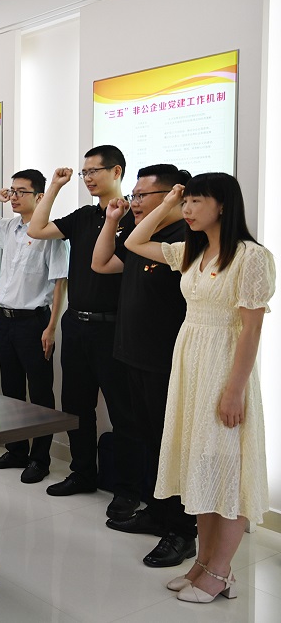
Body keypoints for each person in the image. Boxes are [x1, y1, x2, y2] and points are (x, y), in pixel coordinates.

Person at [125, 174, 274, 603]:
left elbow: (250, 331)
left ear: (223, 205)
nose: (187, 209)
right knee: (202, 468)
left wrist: (234, 391)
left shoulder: (251, 256)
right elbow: (135, 241)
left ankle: (221, 571)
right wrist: (167, 200)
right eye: (184, 201)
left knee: (226, 470)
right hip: (191, 365)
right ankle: (204, 564)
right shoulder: (192, 252)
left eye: (195, 201)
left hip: (225, 368)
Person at [91, 164, 197, 568]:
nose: (133, 202)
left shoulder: (186, 240)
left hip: (165, 362)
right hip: (132, 356)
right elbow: (100, 263)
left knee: (173, 446)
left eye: (141, 196)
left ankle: (182, 531)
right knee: (149, 440)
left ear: (170, 196)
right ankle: (157, 511)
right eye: (133, 195)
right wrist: (112, 220)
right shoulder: (140, 237)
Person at [27, 146, 137, 521]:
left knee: (123, 412)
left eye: (94, 171)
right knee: (75, 406)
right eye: (84, 172)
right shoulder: (84, 216)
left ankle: (127, 490)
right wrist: (55, 187)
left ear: (116, 171)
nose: (88, 178)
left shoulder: (135, 217)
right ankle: (83, 473)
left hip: (114, 327)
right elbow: (36, 229)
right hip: (76, 323)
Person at [0, 170, 68, 484]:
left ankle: (40, 459)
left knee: (41, 392)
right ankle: (16, 450)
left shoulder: (51, 234)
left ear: (40, 196)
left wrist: (51, 328)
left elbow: (59, 284)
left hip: (35, 322)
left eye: (22, 192)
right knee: (11, 390)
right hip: (6, 320)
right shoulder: (9, 227)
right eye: (12, 190)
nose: (14, 197)